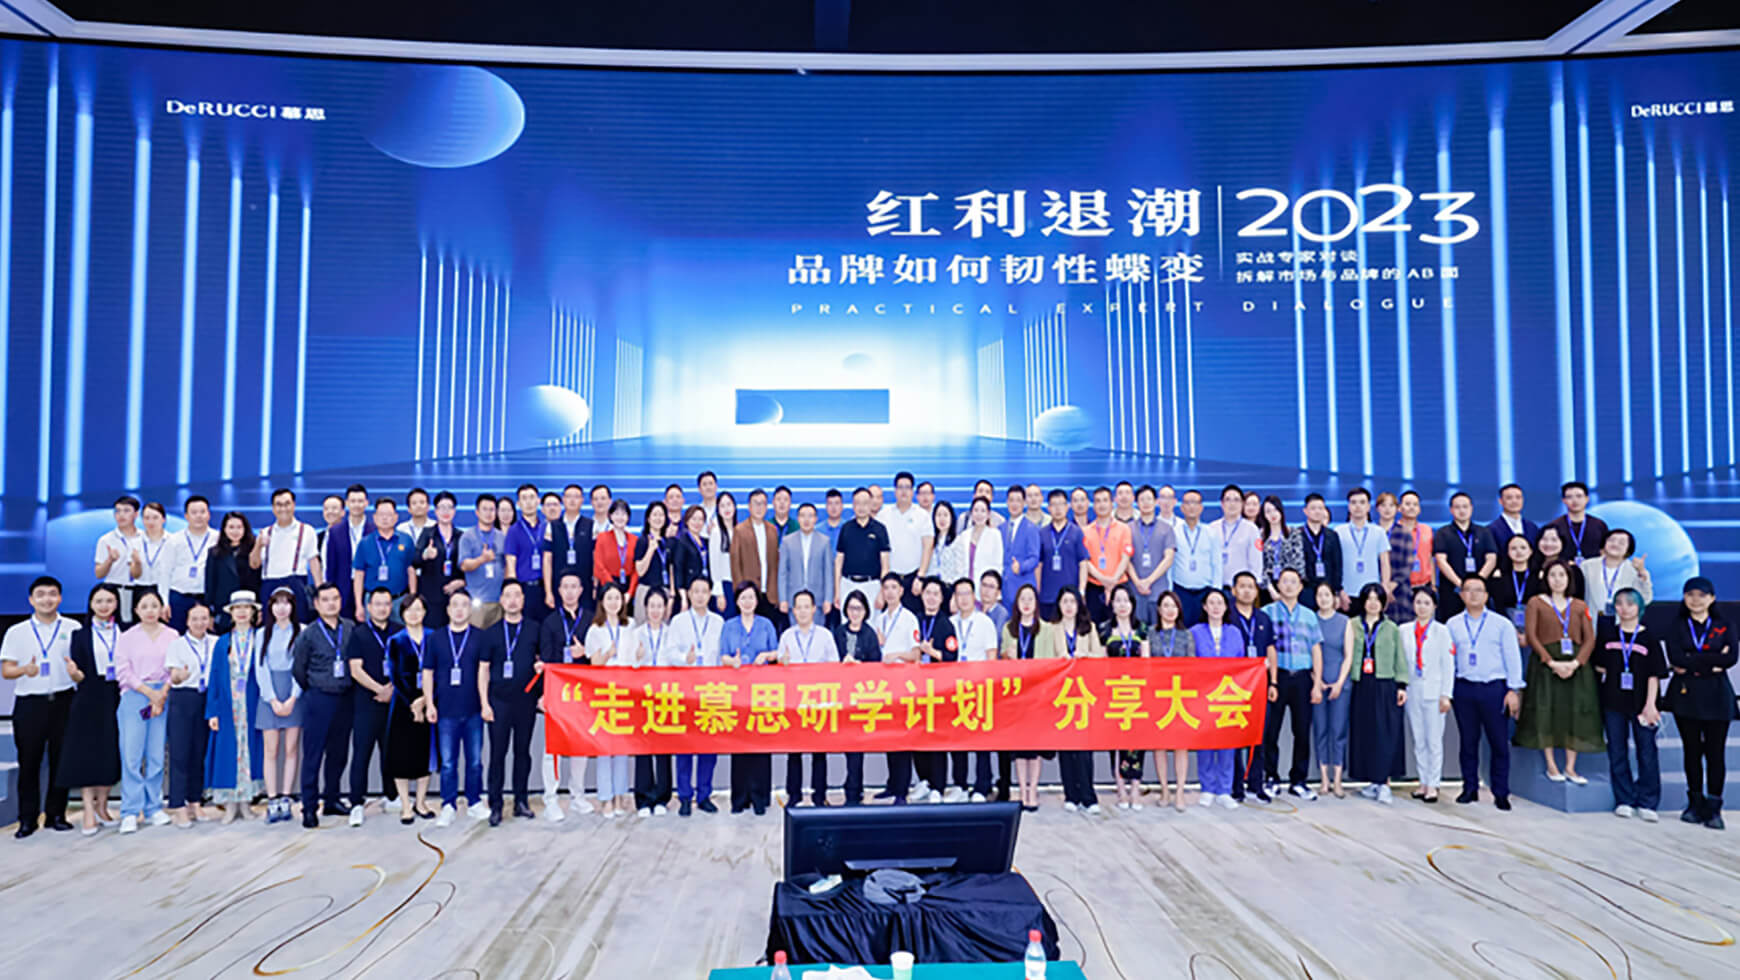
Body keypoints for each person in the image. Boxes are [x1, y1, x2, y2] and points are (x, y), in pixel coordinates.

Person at [3, 576, 80, 837]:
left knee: (62, 761)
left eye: (52, 594)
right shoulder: (17, 632)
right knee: (29, 762)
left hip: (64, 701)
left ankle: (56, 814)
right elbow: (6, 670)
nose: (47, 599)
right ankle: (27, 818)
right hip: (30, 704)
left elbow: (82, 667)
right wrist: (24, 669)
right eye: (41, 594)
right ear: (31, 599)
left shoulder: (73, 627)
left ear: (60, 598)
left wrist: (76, 672)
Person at [1516, 560, 1603, 783]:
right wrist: (1551, 662)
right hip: (1546, 666)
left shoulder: (1579, 605)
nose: (1557, 580)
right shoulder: (1535, 603)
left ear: (1569, 578)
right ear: (1545, 578)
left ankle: (1571, 768)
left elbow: (1589, 639)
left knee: (1574, 713)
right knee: (1546, 711)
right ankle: (1551, 765)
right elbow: (1532, 636)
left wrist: (1576, 663)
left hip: (1575, 666)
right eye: (1553, 575)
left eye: (1562, 575)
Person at [1446, 576, 1526, 810]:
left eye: (1478, 590)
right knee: (1468, 742)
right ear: (1461, 595)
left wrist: (1513, 690)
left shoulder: (1502, 624)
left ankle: (1500, 792)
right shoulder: (1452, 624)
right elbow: (1448, 659)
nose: (1473, 594)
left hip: (1494, 688)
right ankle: (1469, 788)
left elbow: (1512, 658)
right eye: (1468, 590)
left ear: (1486, 595)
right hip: (1464, 688)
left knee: (1498, 743)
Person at [1663, 576, 1735, 829]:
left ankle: (1714, 808)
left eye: (1702, 595)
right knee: (1692, 751)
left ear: (1712, 598)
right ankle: (1694, 804)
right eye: (1690, 595)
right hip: (1687, 695)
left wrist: (1692, 660)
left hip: (1717, 695)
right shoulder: (1677, 625)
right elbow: (1675, 657)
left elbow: (1731, 658)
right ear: (1684, 598)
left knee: (1715, 753)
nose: (1696, 600)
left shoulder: (1724, 625)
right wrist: (1711, 660)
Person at [1592, 587, 1665, 821]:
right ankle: (1624, 799)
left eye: (1630, 604)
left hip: (1642, 703)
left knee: (1647, 752)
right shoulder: (1608, 635)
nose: (1624, 608)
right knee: (1617, 750)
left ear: (1639, 608)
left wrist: (1651, 705)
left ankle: (1648, 801)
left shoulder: (1649, 637)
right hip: (1613, 702)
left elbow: (1654, 675)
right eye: (1620, 603)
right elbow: (1599, 666)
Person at [112, 588, 176, 834]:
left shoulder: (172, 635)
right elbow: (123, 671)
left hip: (163, 695)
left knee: (157, 754)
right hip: (135, 695)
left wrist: (162, 693)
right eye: (145, 606)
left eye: (154, 605)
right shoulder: (127, 637)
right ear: (136, 610)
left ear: (162, 609)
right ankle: (130, 811)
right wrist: (150, 693)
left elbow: (175, 667)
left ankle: (153, 807)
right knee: (132, 755)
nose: (150, 611)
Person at [60, 584, 123, 834]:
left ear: (117, 603)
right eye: (99, 601)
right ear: (90, 604)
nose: (104, 606)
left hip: (117, 694)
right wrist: (74, 674)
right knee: (87, 753)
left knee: (110, 751)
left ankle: (102, 806)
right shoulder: (80, 634)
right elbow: (78, 674)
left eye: (109, 600)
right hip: (88, 695)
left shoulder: (125, 631)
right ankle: (88, 808)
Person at [292, 583, 355, 828]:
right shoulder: (308, 634)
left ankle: (332, 799)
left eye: (335, 598)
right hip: (318, 697)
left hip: (345, 697)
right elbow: (299, 669)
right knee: (313, 754)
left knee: (338, 753)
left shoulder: (349, 628)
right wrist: (314, 687)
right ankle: (309, 807)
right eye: (325, 600)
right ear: (317, 604)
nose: (331, 604)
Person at [424, 589, 488, 826]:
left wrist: (484, 704)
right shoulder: (436, 638)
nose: (460, 610)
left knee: (475, 761)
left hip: (473, 710)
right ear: (448, 610)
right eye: (455, 605)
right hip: (445, 711)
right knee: (448, 763)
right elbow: (428, 673)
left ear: (470, 609)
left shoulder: (479, 637)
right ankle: (448, 804)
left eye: (464, 605)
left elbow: (484, 672)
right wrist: (429, 703)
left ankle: (474, 801)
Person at [480, 579, 540, 826]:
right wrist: (485, 703)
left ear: (523, 600)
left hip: (526, 701)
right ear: (501, 600)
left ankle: (521, 802)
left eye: (517, 595)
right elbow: (483, 670)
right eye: (508, 595)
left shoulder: (534, 629)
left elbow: (542, 662)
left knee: (522, 753)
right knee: (497, 755)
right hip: (498, 702)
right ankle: (495, 805)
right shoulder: (491, 632)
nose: (513, 600)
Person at [1260, 568, 1323, 800]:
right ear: (1278, 585)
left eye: (1293, 582)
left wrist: (1317, 683)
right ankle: (1271, 777)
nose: (1288, 585)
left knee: (1302, 731)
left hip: (1303, 678)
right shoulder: (1267, 612)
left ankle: (1299, 781)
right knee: (1271, 730)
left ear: (1300, 587)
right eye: (1284, 581)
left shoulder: (1309, 615)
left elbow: (1316, 649)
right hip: (1277, 678)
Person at [539, 572, 597, 821]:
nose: (570, 591)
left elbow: (598, 658)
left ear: (581, 590)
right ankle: (550, 798)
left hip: (582, 693)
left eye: (575, 586)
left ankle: (577, 795)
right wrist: (544, 694)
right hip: (557, 692)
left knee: (579, 745)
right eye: (566, 587)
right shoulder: (550, 622)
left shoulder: (591, 619)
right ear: (559, 591)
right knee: (552, 748)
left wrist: (585, 652)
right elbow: (546, 660)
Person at [204, 591, 264, 824]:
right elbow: (214, 676)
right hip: (228, 704)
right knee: (227, 752)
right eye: (237, 608)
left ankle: (246, 802)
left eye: (246, 608)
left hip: (252, 702)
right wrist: (213, 711)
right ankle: (229, 805)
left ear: (253, 612)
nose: (241, 612)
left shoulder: (260, 638)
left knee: (250, 751)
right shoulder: (222, 642)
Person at [721, 583, 779, 813]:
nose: (747, 602)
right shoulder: (729, 626)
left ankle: (760, 797)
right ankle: (740, 798)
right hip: (737, 692)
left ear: (757, 601)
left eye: (751, 597)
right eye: (743, 598)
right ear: (737, 601)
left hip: (762, 692)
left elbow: (776, 652)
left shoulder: (766, 625)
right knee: (740, 744)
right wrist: (732, 662)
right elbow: (722, 656)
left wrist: (766, 655)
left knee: (761, 744)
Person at [778, 590, 840, 806]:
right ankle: (794, 795)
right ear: (793, 611)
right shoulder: (787, 636)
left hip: (819, 700)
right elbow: (778, 669)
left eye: (807, 607)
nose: (803, 611)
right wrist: (782, 663)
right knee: (794, 752)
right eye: (799, 607)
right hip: (794, 702)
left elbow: (835, 665)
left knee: (819, 752)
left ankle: (819, 795)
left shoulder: (825, 635)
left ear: (814, 609)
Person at [1347, 584, 1407, 805]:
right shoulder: (1353, 624)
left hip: (1385, 683)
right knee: (1365, 733)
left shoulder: (1391, 627)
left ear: (1383, 603)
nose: (1373, 603)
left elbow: (1400, 657)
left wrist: (1401, 685)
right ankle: (1372, 780)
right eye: (1369, 599)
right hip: (1361, 683)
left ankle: (1384, 783)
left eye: (1377, 599)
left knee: (1385, 733)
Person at [671, 575, 725, 815]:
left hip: (711, 690)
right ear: (690, 594)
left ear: (710, 594)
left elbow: (722, 655)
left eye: (704, 591)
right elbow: (669, 653)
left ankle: (704, 794)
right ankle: (684, 796)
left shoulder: (718, 622)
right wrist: (685, 659)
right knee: (684, 745)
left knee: (708, 746)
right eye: (696, 591)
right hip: (686, 689)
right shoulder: (679, 621)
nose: (700, 596)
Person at [345, 588, 398, 826]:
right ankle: (357, 803)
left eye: (386, 604)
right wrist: (380, 689)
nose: (382, 608)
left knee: (391, 752)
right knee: (362, 754)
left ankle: (392, 796)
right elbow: (355, 670)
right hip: (366, 703)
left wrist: (393, 689)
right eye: (377, 604)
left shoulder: (399, 632)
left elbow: (408, 665)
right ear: (369, 607)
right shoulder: (359, 634)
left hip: (394, 702)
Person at [1188, 588, 1244, 810]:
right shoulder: (1195, 632)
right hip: (1203, 695)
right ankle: (1207, 788)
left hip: (1228, 695)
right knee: (1205, 743)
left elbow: (1242, 664)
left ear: (1226, 607)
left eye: (1219, 603)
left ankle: (1224, 789)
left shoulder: (1234, 632)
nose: (1215, 607)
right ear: (1204, 606)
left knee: (1227, 744)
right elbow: (1190, 663)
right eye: (1211, 603)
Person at [585, 584, 638, 818]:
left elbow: (635, 658)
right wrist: (608, 654)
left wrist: (639, 656)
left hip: (625, 692)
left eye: (617, 598)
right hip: (604, 693)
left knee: (622, 748)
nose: (614, 602)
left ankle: (619, 796)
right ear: (602, 602)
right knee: (605, 748)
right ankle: (605, 798)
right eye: (609, 598)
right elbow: (594, 663)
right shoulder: (595, 629)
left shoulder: (631, 626)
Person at [1050, 586, 1104, 812]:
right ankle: (1070, 795)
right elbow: (1045, 659)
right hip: (1061, 695)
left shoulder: (1088, 628)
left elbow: (1100, 656)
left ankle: (1088, 796)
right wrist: (1058, 660)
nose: (1069, 606)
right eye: (1065, 601)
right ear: (1059, 605)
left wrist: (1086, 656)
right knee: (1065, 748)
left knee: (1084, 748)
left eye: (1072, 601)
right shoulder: (1052, 629)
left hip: (1083, 695)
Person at [383, 594, 435, 824]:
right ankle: (405, 805)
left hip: (429, 702)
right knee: (401, 755)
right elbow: (395, 676)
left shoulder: (434, 637)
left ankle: (421, 802)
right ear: (402, 614)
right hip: (403, 706)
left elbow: (440, 671)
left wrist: (424, 700)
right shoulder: (395, 641)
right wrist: (413, 703)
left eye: (418, 609)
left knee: (424, 754)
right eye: (409, 610)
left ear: (425, 612)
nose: (414, 614)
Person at [1099, 584, 1151, 809]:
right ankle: (1120, 789)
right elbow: (1101, 664)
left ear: (1132, 604)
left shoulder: (1142, 630)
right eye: (1118, 600)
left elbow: (1147, 662)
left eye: (1126, 600)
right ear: (1112, 604)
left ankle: (1135, 788)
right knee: (1116, 741)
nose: (1122, 605)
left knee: (1138, 741)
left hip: (1137, 692)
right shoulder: (1104, 630)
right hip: (1114, 693)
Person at [998, 585, 1049, 812]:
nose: (1026, 603)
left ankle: (1033, 790)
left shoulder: (1046, 629)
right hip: (1017, 694)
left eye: (1030, 599)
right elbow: (1001, 660)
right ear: (1017, 603)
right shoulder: (1009, 628)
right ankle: (1021, 789)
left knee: (1035, 745)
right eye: (1022, 599)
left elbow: (1051, 661)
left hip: (1038, 693)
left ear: (1036, 604)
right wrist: (1006, 655)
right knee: (1019, 746)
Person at [947, 578, 999, 803]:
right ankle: (959, 784)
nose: (964, 599)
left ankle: (982, 785)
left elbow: (991, 656)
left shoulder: (984, 622)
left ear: (974, 596)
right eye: (959, 594)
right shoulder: (949, 623)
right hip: (954, 688)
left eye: (967, 593)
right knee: (957, 740)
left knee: (981, 741)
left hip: (979, 687)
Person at [1400, 587, 1454, 803]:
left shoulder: (1442, 631)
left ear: (1434, 606)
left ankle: (1433, 783)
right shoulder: (1404, 630)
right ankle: (1423, 781)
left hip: (1434, 691)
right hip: (1412, 689)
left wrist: (1446, 694)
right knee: (1418, 738)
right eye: (1418, 602)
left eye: (1426, 603)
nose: (1422, 607)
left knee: (1434, 740)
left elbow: (1448, 665)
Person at [165, 602, 215, 827]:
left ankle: (195, 800)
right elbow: (173, 675)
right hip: (183, 698)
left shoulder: (216, 642)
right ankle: (178, 804)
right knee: (180, 752)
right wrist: (179, 676)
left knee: (199, 752)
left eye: (204, 618)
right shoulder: (177, 645)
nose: (199, 623)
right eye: (194, 619)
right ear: (187, 621)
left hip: (207, 698)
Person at [256, 588, 304, 823]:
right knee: (271, 750)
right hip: (270, 693)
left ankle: (286, 797)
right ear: (270, 607)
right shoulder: (261, 633)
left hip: (294, 691)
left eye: (286, 603)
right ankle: (272, 799)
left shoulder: (302, 630)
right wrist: (272, 699)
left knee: (292, 749)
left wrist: (293, 697)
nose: (281, 608)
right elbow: (260, 668)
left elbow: (301, 666)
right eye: (277, 603)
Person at [1227, 573, 1274, 803]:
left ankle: (1257, 783)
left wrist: (1273, 681)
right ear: (1233, 590)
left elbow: (1271, 649)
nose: (1247, 591)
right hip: (1234, 687)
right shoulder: (1228, 616)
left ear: (1256, 591)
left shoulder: (1263, 617)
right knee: (1234, 735)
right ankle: (1236, 786)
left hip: (1260, 684)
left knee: (1259, 735)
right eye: (1242, 586)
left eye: (1251, 587)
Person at [831, 589, 880, 807]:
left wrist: (859, 666)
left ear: (865, 611)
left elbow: (876, 664)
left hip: (862, 698)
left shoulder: (869, 634)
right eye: (851, 608)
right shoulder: (838, 632)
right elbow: (830, 660)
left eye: (859, 608)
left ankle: (854, 790)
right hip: (841, 697)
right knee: (844, 743)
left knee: (857, 746)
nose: (855, 613)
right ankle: (849, 785)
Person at [630, 588, 676, 816]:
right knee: (643, 748)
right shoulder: (636, 634)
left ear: (665, 609)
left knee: (664, 748)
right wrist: (637, 659)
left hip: (666, 695)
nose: (656, 610)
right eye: (652, 606)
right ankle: (643, 798)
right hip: (643, 695)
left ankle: (662, 798)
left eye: (660, 606)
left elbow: (677, 663)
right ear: (646, 608)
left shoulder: (672, 634)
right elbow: (629, 665)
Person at [1151, 590, 1195, 811]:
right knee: (1159, 745)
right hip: (1157, 695)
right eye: (1166, 606)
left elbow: (1192, 664)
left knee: (1181, 745)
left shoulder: (1186, 635)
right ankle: (1164, 789)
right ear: (1159, 609)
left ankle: (1179, 791)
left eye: (1174, 606)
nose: (1170, 610)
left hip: (1180, 694)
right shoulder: (1150, 634)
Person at [251, 488, 322, 624]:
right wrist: (258, 545)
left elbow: (314, 562)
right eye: (279, 504)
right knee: (270, 628)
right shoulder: (265, 532)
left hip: (296, 582)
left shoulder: (307, 530)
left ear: (294, 505)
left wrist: (320, 591)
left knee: (298, 627)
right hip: (269, 584)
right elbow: (254, 565)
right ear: (273, 508)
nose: (283, 508)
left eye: (287, 504)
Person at [1310, 581, 1351, 799]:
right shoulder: (1311, 620)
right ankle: (1324, 779)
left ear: (1334, 598)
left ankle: (1338, 780)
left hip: (1340, 684)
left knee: (1338, 730)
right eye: (1320, 595)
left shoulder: (1344, 622)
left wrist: (1339, 682)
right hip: (1317, 684)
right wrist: (1317, 681)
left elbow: (1348, 656)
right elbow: (1308, 654)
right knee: (1321, 730)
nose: (1323, 599)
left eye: (1327, 595)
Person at [1432, 492, 1499, 621]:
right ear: (1451, 510)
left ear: (1471, 508)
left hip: (1479, 590)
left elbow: (1491, 559)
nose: (1462, 510)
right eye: (1457, 507)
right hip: (1452, 590)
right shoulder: (1443, 533)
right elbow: (1441, 561)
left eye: (1465, 506)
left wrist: (1477, 583)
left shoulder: (1484, 532)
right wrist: (1461, 584)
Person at [352, 498, 414, 626]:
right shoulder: (365, 543)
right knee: (373, 635)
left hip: (399, 600)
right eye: (381, 514)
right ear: (374, 517)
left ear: (396, 517)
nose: (385, 518)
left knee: (400, 635)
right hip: (373, 601)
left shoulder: (406, 540)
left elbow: (411, 570)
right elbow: (359, 575)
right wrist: (358, 604)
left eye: (389, 515)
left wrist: (412, 599)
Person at [879, 472, 935, 612]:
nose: (903, 491)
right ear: (895, 490)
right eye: (900, 487)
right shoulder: (883, 515)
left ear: (912, 491)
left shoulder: (922, 515)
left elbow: (928, 547)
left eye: (907, 487)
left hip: (914, 579)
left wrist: (920, 576)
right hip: (890, 579)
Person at [410, 491, 464, 629]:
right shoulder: (428, 533)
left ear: (454, 511)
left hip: (454, 596)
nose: (446, 511)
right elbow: (413, 560)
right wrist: (425, 555)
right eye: (442, 507)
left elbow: (466, 566)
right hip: (431, 595)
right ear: (435, 511)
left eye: (449, 507)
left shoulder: (461, 536)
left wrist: (462, 582)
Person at [543, 484, 595, 621]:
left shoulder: (591, 525)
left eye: (576, 497)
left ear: (582, 500)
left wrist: (595, 586)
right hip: (559, 587)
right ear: (563, 500)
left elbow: (596, 558)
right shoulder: (552, 526)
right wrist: (548, 591)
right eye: (569, 496)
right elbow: (547, 560)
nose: (572, 500)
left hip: (585, 587)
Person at [835, 487, 891, 614]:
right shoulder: (846, 528)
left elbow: (885, 565)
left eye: (865, 503)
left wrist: (882, 592)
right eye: (857, 503)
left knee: (872, 623)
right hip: (847, 584)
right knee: (847, 621)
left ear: (871, 504)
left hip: (872, 585)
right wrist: (837, 591)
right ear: (853, 505)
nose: (861, 507)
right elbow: (839, 562)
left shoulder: (880, 529)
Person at [1036, 489, 1089, 621]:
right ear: (1048, 508)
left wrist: (1081, 590)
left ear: (1067, 507)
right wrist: (1038, 591)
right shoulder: (1042, 533)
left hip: (1070, 597)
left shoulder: (1076, 532)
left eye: (1061, 504)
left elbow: (1083, 563)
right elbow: (1039, 565)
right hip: (1048, 596)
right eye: (1054, 505)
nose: (1058, 509)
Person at [1126, 485, 1176, 624]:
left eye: (1149, 499)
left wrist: (1148, 581)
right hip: (1134, 592)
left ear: (1156, 502)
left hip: (1158, 592)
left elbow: (1169, 558)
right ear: (1136, 503)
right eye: (1142, 499)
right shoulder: (1128, 528)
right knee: (1137, 632)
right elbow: (1125, 559)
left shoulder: (1166, 528)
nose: (1146, 503)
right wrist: (1138, 582)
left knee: (1158, 632)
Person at [730, 490, 781, 625]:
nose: (759, 507)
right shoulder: (740, 530)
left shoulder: (772, 530)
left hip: (769, 593)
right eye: (756, 504)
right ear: (749, 506)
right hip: (749, 594)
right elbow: (735, 564)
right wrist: (740, 593)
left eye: (762, 504)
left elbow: (775, 563)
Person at [780, 503, 836, 623]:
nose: (806, 520)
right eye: (802, 516)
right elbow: (782, 573)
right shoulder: (787, 541)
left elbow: (828, 573)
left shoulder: (824, 541)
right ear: (798, 518)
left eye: (810, 516)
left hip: (818, 600)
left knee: (817, 632)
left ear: (815, 519)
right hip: (794, 600)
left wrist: (828, 599)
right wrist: (783, 599)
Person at [1083, 487, 1133, 622]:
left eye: (1105, 500)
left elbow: (1125, 557)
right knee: (1094, 626)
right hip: (1094, 587)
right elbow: (1085, 561)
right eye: (1098, 501)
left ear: (1112, 503)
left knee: (1120, 625)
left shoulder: (1124, 529)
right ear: (1093, 505)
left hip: (1120, 586)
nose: (1102, 505)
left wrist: (1113, 581)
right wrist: (1103, 580)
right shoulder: (1085, 531)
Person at [204, 512, 260, 633]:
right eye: (231, 527)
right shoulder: (214, 553)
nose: (235, 531)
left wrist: (260, 608)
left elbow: (259, 581)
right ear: (224, 529)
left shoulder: (254, 551)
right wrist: (210, 612)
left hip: (249, 609)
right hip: (224, 610)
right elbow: (210, 584)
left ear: (245, 529)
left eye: (239, 527)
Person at [166, 496, 215, 631]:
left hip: (206, 598)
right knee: (177, 635)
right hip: (178, 596)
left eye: (202, 512)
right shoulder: (174, 540)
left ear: (209, 514)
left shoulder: (218, 538)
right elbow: (165, 572)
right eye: (194, 512)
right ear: (186, 516)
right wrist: (164, 602)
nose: (198, 516)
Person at [93, 495, 145, 623]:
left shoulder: (145, 538)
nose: (121, 515)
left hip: (140, 590)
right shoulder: (106, 540)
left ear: (136, 514)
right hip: (114, 590)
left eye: (126, 511)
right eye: (118, 511)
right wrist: (110, 560)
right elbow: (99, 574)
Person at [1170, 489, 1218, 625]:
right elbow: (1170, 563)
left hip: (1204, 592)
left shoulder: (1211, 533)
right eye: (1188, 503)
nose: (1191, 506)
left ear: (1201, 507)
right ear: (1182, 507)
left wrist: (1216, 592)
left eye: (1195, 503)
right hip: (1181, 590)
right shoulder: (1174, 532)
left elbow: (1216, 563)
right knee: (1182, 629)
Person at [1580, 528, 1653, 616]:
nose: (1615, 544)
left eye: (1621, 543)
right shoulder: (1587, 566)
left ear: (1628, 549)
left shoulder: (1634, 570)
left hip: (1622, 620)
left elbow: (1645, 599)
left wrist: (1641, 572)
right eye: (1611, 540)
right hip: (1591, 619)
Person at [458, 496, 506, 629]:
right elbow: (464, 565)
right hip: (476, 602)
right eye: (485, 509)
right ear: (477, 512)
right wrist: (482, 560)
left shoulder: (501, 536)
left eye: (492, 510)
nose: (488, 513)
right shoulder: (467, 536)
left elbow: (506, 566)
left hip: (498, 601)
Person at [1337, 487, 1390, 604]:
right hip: (1346, 593)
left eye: (1362, 502)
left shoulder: (1379, 531)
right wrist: (1339, 591)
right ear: (1348, 506)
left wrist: (1385, 585)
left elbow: (1384, 562)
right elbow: (1334, 564)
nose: (1358, 506)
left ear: (1368, 506)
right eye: (1353, 502)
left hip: (1372, 594)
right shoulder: (1338, 532)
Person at [1386, 490, 1432, 622]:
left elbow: (1430, 558)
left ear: (1419, 509)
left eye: (1415, 504)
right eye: (1407, 504)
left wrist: (1433, 585)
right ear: (1399, 508)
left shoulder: (1427, 530)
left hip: (1423, 585)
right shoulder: (1392, 531)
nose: (1411, 507)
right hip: (1400, 587)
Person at [1287, 494, 1342, 602]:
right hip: (1304, 589)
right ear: (1305, 511)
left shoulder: (1332, 535)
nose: (1317, 511)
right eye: (1313, 508)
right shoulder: (1296, 534)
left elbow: (1337, 565)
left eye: (1320, 508)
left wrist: (1336, 592)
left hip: (1327, 589)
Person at [1001, 485, 1042, 611]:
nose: (1014, 504)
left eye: (1018, 500)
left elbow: (1034, 557)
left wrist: (1021, 567)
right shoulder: (1001, 528)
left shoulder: (1031, 528)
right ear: (1007, 502)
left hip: (1023, 586)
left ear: (1024, 503)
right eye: (1011, 500)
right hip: (1004, 588)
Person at [1546, 481, 1609, 561]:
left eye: (1579, 496)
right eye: (1569, 497)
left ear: (1587, 499)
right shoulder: (1555, 526)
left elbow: (1605, 551)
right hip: (1563, 568)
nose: (1575, 500)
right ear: (1564, 500)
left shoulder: (1599, 525)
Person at [1214, 484, 1262, 590]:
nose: (1232, 504)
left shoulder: (1251, 529)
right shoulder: (1212, 528)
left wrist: (1254, 585)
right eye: (1228, 500)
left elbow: (1256, 562)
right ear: (1222, 504)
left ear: (1242, 504)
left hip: (1241, 589)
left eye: (1236, 500)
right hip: (1216, 587)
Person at [633, 500, 673, 620]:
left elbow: (671, 568)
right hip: (646, 590)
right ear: (648, 519)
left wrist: (671, 594)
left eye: (661, 515)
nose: (658, 518)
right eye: (655, 515)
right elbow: (640, 571)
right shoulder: (642, 541)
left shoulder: (668, 542)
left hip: (664, 591)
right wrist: (650, 550)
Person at [130, 502, 174, 613]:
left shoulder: (173, 541)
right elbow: (135, 575)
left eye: (155, 518)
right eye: (147, 518)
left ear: (163, 519)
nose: (151, 522)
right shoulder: (134, 542)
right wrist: (137, 563)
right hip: (140, 589)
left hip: (166, 589)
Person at [1491, 534, 1537, 633]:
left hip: (1535, 625)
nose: (1518, 551)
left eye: (1523, 548)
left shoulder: (1538, 576)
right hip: (1505, 625)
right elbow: (1498, 606)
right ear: (1507, 552)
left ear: (1531, 551)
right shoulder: (1499, 576)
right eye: (1513, 548)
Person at [959, 497, 1005, 595]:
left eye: (983, 511)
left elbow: (998, 564)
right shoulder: (964, 536)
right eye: (976, 510)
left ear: (988, 514)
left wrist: (993, 587)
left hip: (986, 588)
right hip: (965, 587)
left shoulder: (995, 535)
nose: (979, 514)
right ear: (971, 513)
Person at [671, 505, 713, 613]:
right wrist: (683, 596)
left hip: (705, 590)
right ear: (687, 521)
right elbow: (678, 568)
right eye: (694, 519)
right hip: (689, 591)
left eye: (700, 519)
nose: (697, 522)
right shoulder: (682, 541)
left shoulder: (706, 541)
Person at [1533, 524, 1587, 599]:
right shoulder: (1531, 567)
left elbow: (1578, 598)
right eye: (1544, 539)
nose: (1549, 544)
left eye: (1554, 540)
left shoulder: (1572, 569)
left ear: (1562, 542)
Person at [707, 492, 739, 615]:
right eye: (722, 506)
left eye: (729, 504)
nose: (726, 509)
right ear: (718, 510)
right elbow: (714, 564)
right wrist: (719, 592)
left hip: (739, 584)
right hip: (725, 585)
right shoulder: (716, 532)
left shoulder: (739, 530)